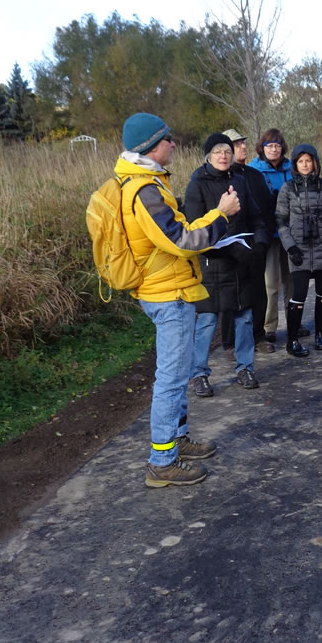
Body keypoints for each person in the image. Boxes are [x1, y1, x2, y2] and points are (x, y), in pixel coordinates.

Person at [115, 112, 240, 487]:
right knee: (170, 379)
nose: (173, 144)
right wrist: (221, 215)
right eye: (168, 139)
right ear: (153, 145)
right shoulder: (144, 191)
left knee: (178, 373)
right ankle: (162, 461)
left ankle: (177, 440)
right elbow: (181, 241)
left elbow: (179, 232)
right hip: (167, 295)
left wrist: (213, 216)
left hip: (172, 290)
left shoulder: (149, 182)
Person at [184, 133, 269, 393]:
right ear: (208, 155)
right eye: (218, 151)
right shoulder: (197, 183)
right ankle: (199, 374)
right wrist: (229, 250)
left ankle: (245, 368)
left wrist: (260, 244)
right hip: (213, 264)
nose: (223, 155)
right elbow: (192, 229)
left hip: (242, 261)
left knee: (244, 317)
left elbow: (256, 217)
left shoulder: (240, 181)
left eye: (227, 151)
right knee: (208, 320)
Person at [276, 144, 322, 356]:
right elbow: (280, 221)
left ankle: (320, 334)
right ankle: (292, 341)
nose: (305, 165)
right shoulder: (287, 189)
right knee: (298, 294)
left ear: (315, 162)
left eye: (308, 160)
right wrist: (290, 247)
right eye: (300, 161)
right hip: (299, 248)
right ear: (295, 164)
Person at [248, 129, 310, 343]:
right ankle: (269, 327)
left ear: (282, 147)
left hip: (291, 232)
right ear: (262, 148)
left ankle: (295, 321)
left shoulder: (290, 169)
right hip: (268, 233)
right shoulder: (253, 170)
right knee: (270, 282)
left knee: (292, 279)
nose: (273, 149)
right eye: (269, 145)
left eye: (277, 145)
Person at [221, 128, 275, 354]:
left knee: (258, 290)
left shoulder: (254, 175)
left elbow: (265, 210)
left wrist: (262, 241)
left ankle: (258, 336)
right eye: (236, 144)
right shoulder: (219, 178)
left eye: (243, 143)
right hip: (230, 245)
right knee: (229, 293)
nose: (242, 147)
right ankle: (230, 342)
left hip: (257, 243)